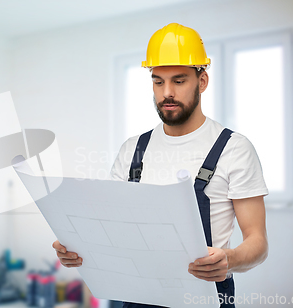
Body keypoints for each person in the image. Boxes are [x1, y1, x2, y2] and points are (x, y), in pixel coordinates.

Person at [52, 23, 269, 308]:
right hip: (135, 297)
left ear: (202, 81)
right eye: (158, 81)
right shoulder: (133, 149)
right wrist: (79, 249)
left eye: (179, 81)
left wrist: (229, 260)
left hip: (205, 298)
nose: (167, 92)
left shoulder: (234, 148)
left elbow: (258, 242)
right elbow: (112, 229)